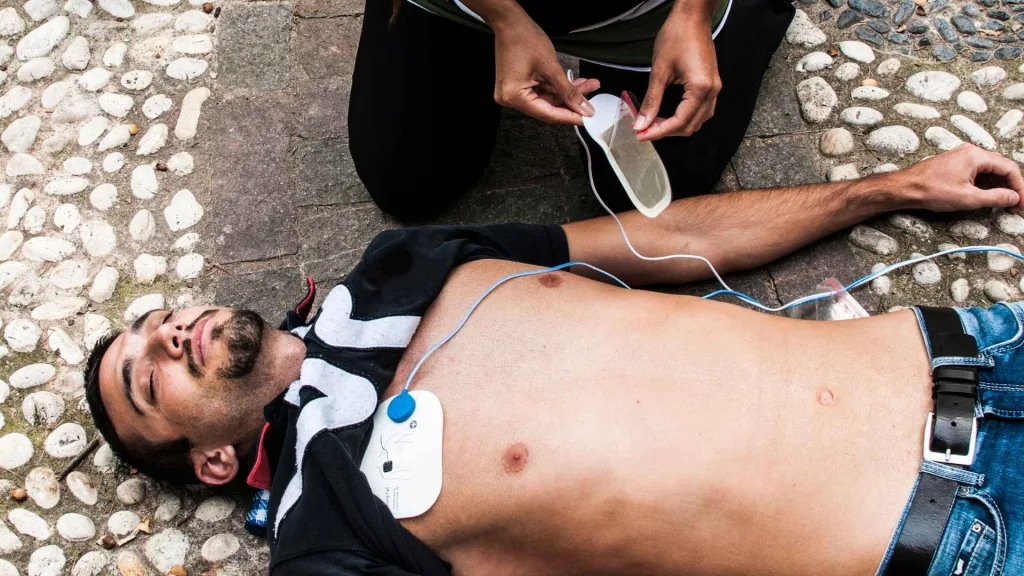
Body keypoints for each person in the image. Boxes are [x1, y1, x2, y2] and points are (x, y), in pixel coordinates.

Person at [86, 145, 1024, 576]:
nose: (168, 332)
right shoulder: (322, 531)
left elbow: (660, 238)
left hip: (975, 350)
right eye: (146, 379)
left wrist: (887, 187)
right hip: (962, 541)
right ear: (210, 461)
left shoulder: (394, 265)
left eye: (160, 315)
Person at [349, 0, 796, 220]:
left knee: (647, 201)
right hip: (468, 7)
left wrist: (692, 16)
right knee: (408, 185)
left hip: (645, 9)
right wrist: (505, 19)